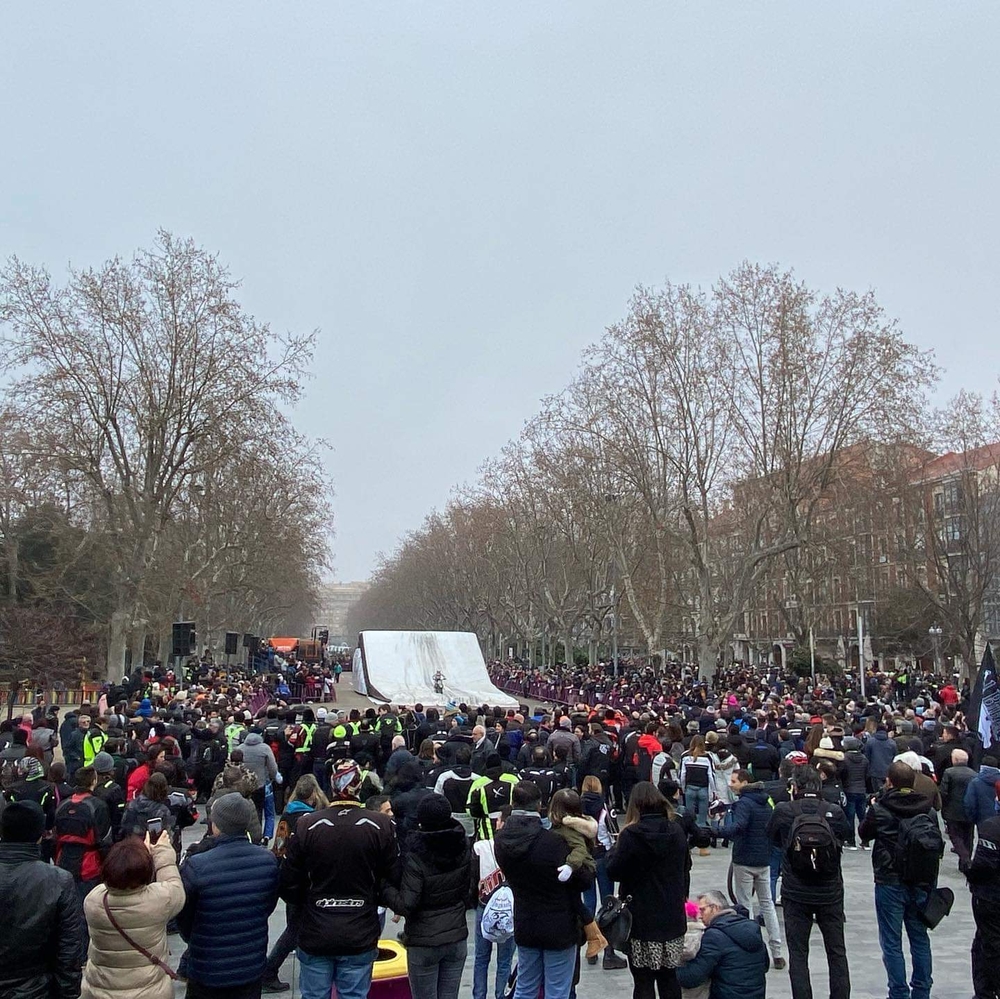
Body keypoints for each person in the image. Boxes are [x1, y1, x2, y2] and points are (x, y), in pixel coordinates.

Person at [279, 759, 398, 999]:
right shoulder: (381, 825)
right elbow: (393, 875)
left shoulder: (307, 824)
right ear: (359, 785)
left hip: (316, 929)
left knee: (314, 995)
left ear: (331, 786)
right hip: (360, 930)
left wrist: (307, 903)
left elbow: (288, 881)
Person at [495, 780, 594, 999]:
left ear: (513, 803)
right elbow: (584, 880)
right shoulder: (553, 842)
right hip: (559, 925)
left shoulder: (501, 841)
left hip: (525, 921)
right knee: (557, 991)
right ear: (539, 805)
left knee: (525, 988)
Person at [178, 792, 280, 998]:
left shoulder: (196, 865)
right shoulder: (267, 861)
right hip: (250, 965)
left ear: (217, 825)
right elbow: (267, 906)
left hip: (208, 968)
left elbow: (184, 918)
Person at [766, 764, 851, 999]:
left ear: (795, 786)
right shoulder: (833, 810)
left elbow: (771, 837)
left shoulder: (784, 810)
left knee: (798, 953)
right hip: (830, 889)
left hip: (796, 890)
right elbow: (845, 835)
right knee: (836, 952)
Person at [859, 760, 940, 999]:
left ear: (889, 781)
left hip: (889, 878)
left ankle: (898, 991)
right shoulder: (928, 809)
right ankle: (922, 990)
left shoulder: (881, 808)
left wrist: (872, 808)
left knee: (891, 940)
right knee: (919, 937)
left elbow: (864, 833)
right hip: (920, 878)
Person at [383, 793, 474, 999]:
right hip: (456, 935)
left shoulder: (416, 854)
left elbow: (407, 903)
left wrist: (385, 887)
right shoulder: (463, 845)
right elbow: (468, 890)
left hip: (423, 941)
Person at [605, 781, 688, 999]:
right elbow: (686, 866)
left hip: (640, 918)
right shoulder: (676, 830)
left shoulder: (631, 835)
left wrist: (614, 851)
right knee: (669, 978)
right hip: (671, 916)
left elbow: (613, 871)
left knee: (643, 981)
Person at [81, 831, 186, 999]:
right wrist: (161, 853)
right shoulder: (158, 901)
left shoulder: (93, 901)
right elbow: (174, 886)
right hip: (149, 992)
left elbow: (119, 877)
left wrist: (133, 856)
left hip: (101, 991)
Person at [0, 799, 83, 998]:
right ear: (40, 835)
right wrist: (68, 993)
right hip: (37, 988)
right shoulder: (59, 880)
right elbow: (69, 950)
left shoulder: (58, 880)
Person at [263, 774, 329, 994]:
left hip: (287, 877)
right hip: (306, 879)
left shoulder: (287, 815)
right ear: (313, 794)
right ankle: (269, 970)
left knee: (295, 923)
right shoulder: (313, 819)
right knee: (294, 930)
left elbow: (278, 847)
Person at [711, 769, 784, 969]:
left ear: (744, 782)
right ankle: (777, 952)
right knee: (767, 904)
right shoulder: (765, 800)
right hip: (764, 858)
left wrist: (717, 831)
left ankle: (752, 951)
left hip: (744, 858)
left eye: (734, 781)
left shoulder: (744, 803)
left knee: (745, 905)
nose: (731, 784)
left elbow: (740, 826)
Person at [547, 788, 610, 963]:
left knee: (583, 903)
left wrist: (569, 866)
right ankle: (595, 939)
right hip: (585, 868)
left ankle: (595, 939)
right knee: (583, 903)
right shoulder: (579, 824)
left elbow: (579, 849)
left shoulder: (567, 828)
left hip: (580, 869)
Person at [675, 890, 767, 999]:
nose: (700, 916)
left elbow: (692, 977)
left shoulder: (714, 936)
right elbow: (765, 965)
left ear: (715, 908)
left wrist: (670, 970)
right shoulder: (752, 928)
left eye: (703, 910)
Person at [580, 774, 627, 970]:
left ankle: (591, 947)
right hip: (602, 857)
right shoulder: (605, 809)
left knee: (588, 903)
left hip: (584, 859)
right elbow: (614, 834)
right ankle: (609, 951)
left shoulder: (577, 808)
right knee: (609, 903)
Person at [471, 806, 516, 999]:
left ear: (501, 823)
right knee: (505, 960)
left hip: (484, 905)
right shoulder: (519, 847)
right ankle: (501, 996)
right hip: (511, 910)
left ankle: (479, 996)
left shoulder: (480, 847)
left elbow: (472, 879)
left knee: (481, 958)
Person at [964, 803, 1000, 999]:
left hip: (990, 897)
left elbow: (983, 866)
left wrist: (969, 872)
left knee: (987, 946)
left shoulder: (991, 827)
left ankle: (985, 992)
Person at [939, 748, 976, 867]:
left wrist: (943, 806)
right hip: (969, 810)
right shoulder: (974, 774)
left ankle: (964, 857)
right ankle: (965, 861)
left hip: (952, 810)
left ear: (954, 759)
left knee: (955, 835)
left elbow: (944, 792)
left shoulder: (949, 772)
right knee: (968, 835)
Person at [678, 735, 714, 842]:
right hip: (703, 788)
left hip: (689, 788)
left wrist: (683, 788)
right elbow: (711, 776)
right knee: (702, 818)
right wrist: (712, 791)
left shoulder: (685, 756)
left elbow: (682, 774)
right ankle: (702, 841)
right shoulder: (708, 756)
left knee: (689, 816)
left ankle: (690, 838)